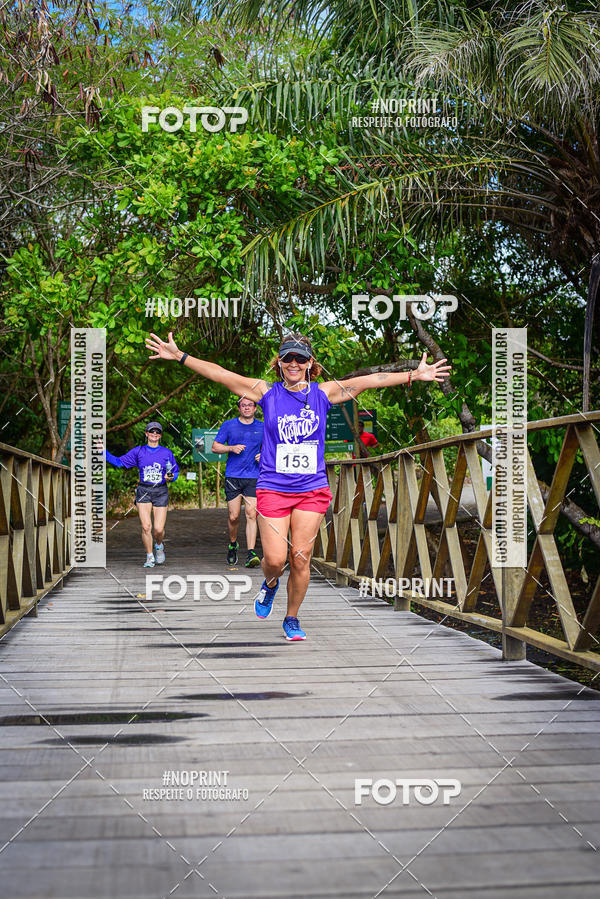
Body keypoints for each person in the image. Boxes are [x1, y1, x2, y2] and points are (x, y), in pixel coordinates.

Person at [145, 331, 451, 640]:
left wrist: (415, 374)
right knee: (275, 560)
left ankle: (292, 618)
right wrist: (181, 356)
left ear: (310, 363)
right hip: (273, 487)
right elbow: (222, 375)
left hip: (311, 489)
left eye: (300, 358)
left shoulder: (323, 393)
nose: (294, 363)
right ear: (279, 363)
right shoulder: (266, 393)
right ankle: (271, 583)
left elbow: (372, 380)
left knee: (301, 558)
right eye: (287, 358)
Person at [102, 421, 179, 568]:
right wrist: (102, 451)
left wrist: (171, 477)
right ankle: (150, 556)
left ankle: (159, 545)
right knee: (146, 527)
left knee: (158, 529)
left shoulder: (166, 452)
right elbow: (119, 462)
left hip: (161, 491)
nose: (154, 434)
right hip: (144, 491)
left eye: (157, 432)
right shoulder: (139, 451)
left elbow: (175, 472)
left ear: (160, 436)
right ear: (146, 434)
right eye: (151, 432)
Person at [212, 397, 263, 568]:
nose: (247, 408)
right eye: (243, 405)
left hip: (254, 476)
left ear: (255, 408)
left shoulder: (263, 427)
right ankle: (233, 544)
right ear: (239, 408)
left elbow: (274, 447)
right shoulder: (228, 425)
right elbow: (215, 447)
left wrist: (264, 456)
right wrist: (231, 448)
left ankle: (251, 553)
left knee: (251, 513)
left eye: (250, 405)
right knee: (233, 516)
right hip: (233, 475)